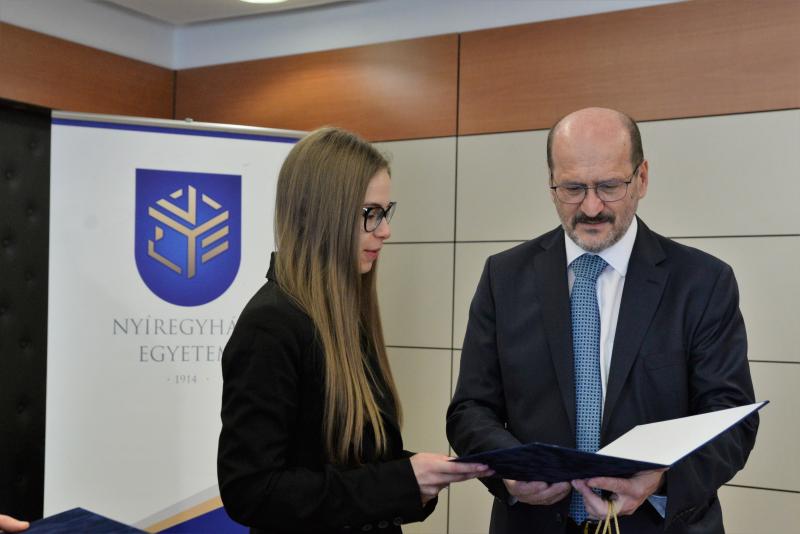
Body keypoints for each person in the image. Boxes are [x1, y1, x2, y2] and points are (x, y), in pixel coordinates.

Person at [446, 107, 758, 534]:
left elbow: (731, 420)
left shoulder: (703, 282)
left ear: (641, 178)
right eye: (573, 188)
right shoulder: (504, 277)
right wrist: (510, 471)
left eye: (610, 186)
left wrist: (661, 480)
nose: (591, 207)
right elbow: (470, 410)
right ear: (551, 183)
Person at [218, 127, 491, 534]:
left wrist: (419, 476)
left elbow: (349, 460)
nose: (385, 230)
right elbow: (252, 491)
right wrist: (401, 482)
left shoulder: (342, 315)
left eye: (385, 211)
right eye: (370, 213)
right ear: (323, 213)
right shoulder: (270, 326)